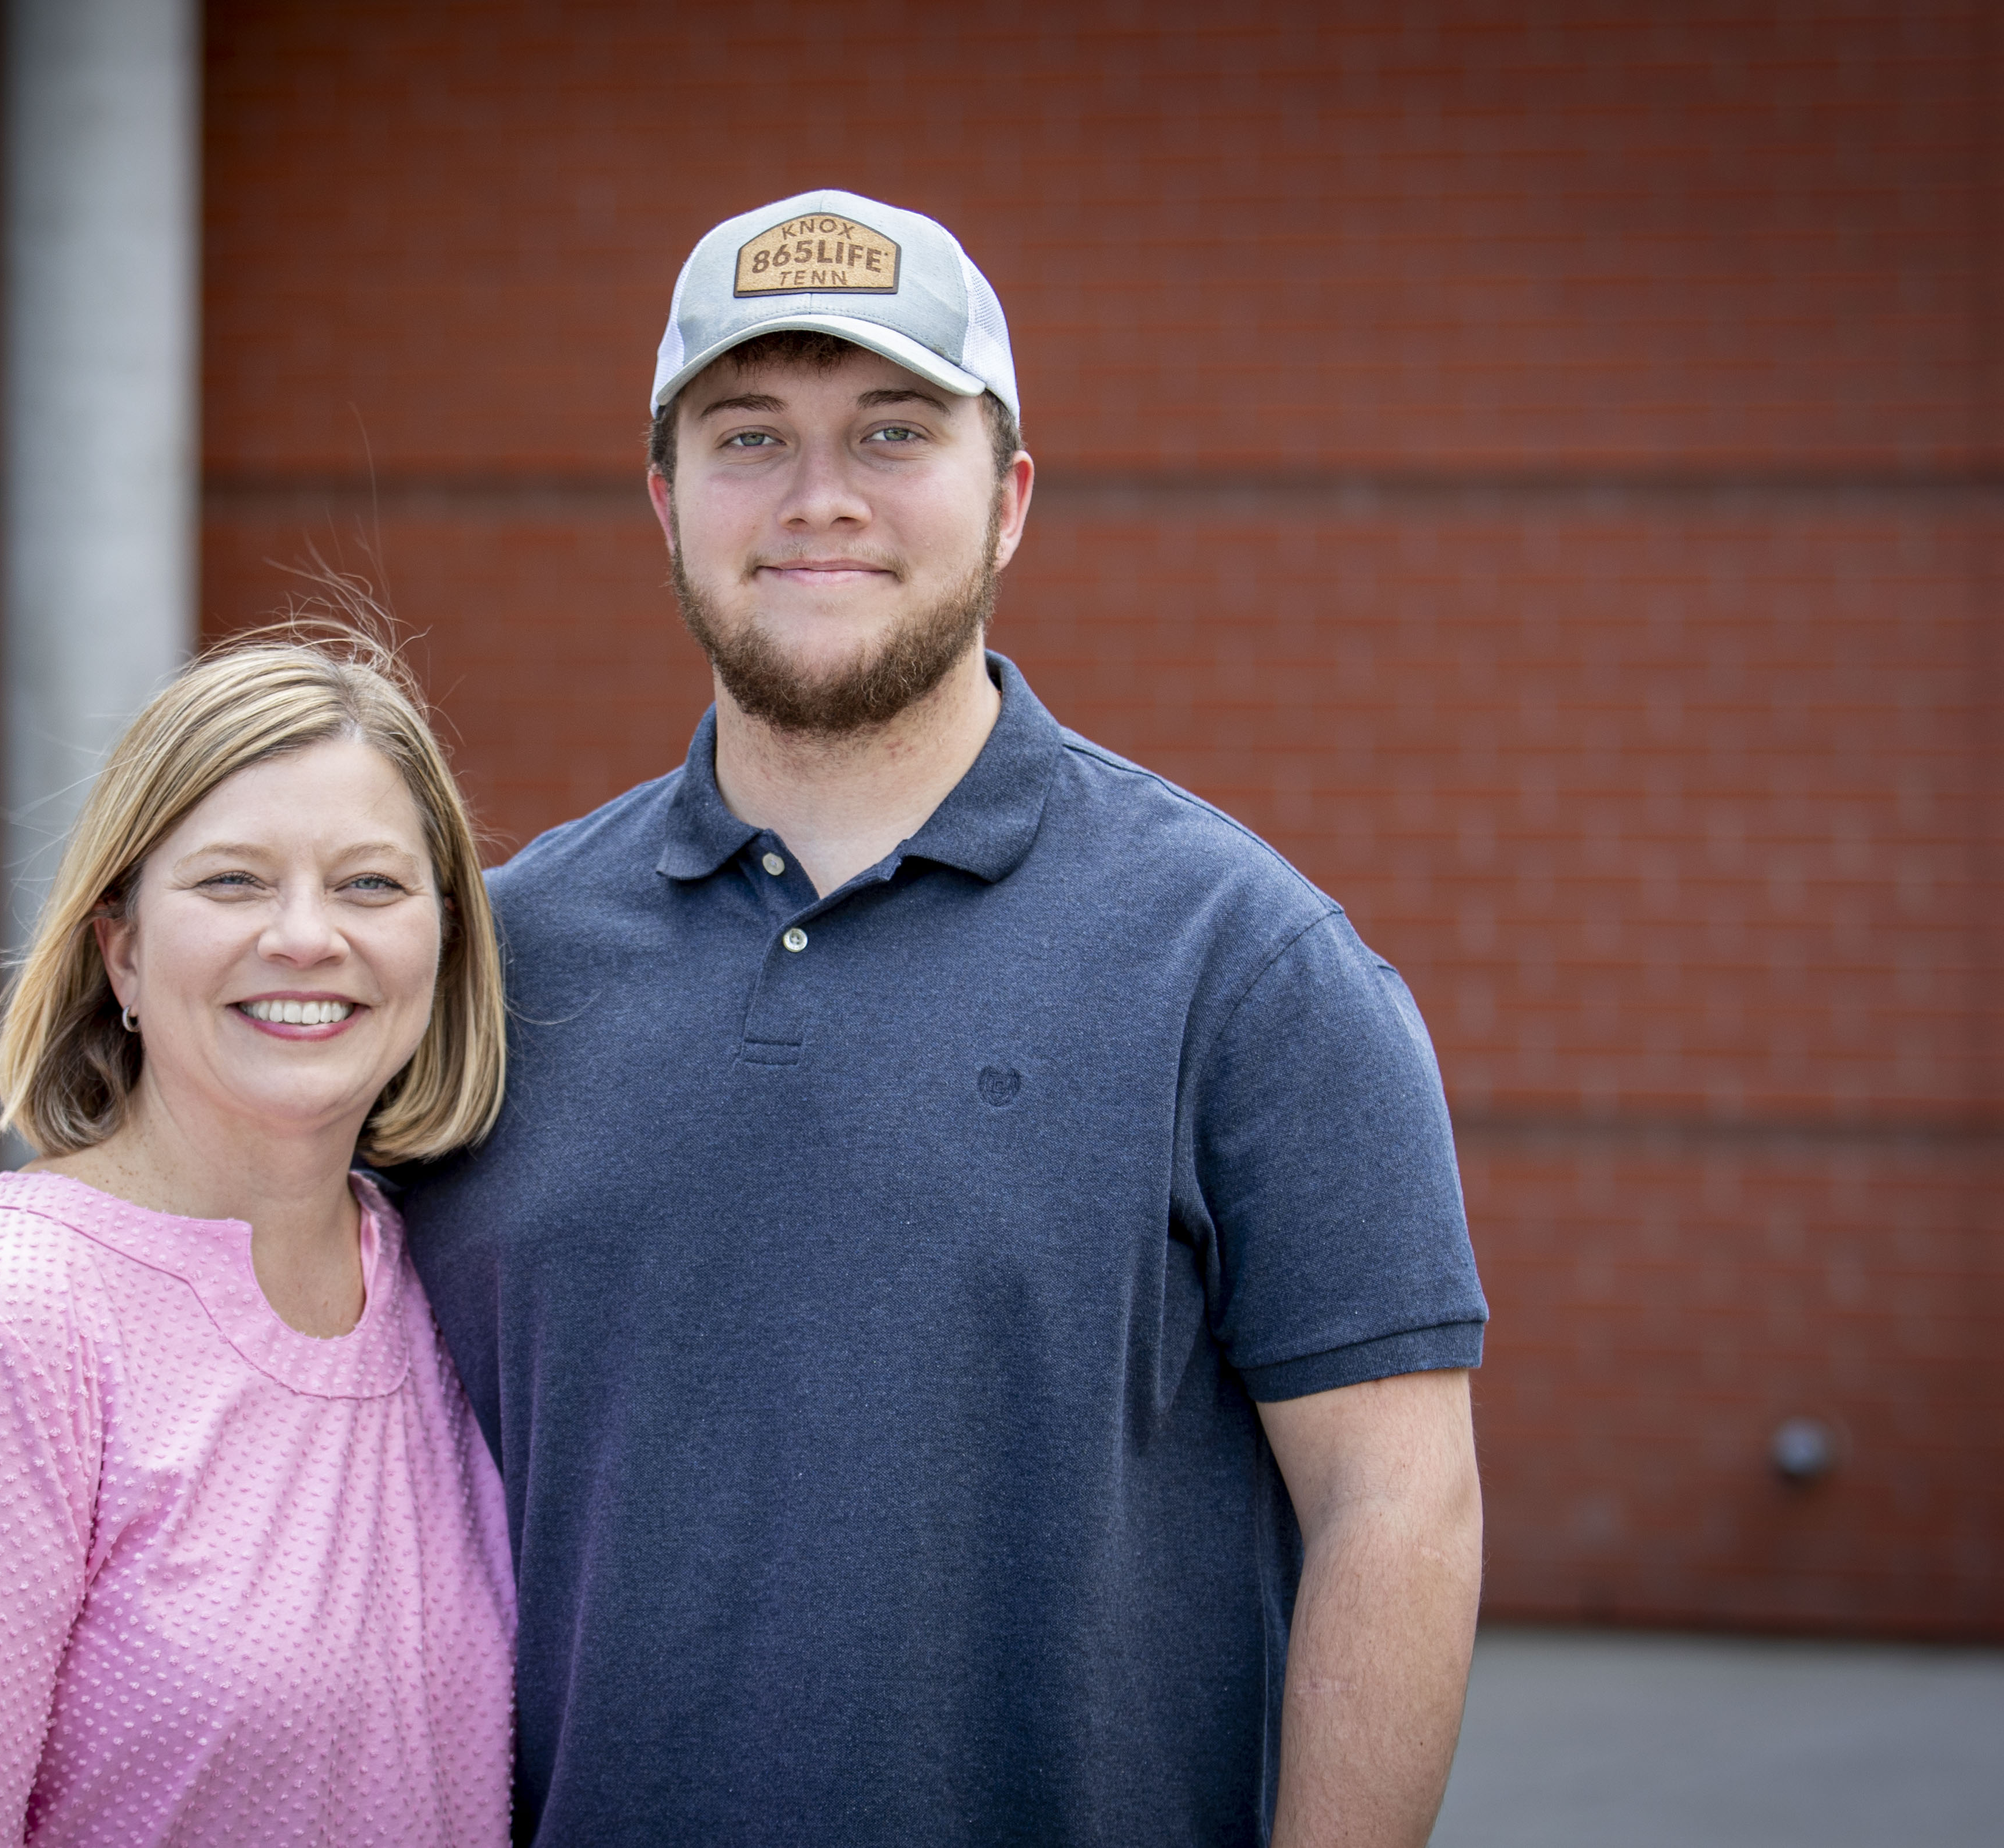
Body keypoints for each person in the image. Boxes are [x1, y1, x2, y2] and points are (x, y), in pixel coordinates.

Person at [392, 189, 1490, 1846]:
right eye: (747, 434)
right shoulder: (492, 955)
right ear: (663, 499)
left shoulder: (1246, 960)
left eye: (892, 430)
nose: (817, 496)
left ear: (1010, 499)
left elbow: (1394, 1505)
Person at [0, 633, 516, 1846]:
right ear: (122, 953)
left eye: (371, 884)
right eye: (231, 882)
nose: (308, 937)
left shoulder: (449, 1280)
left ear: (444, 942)